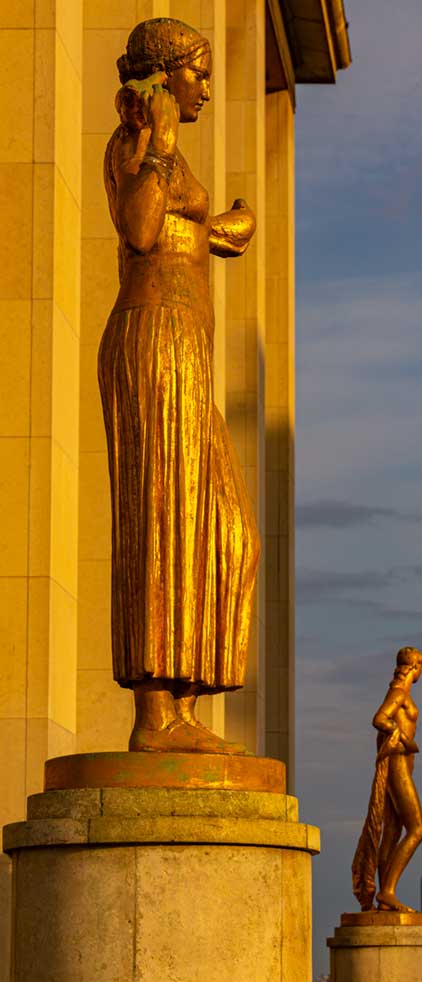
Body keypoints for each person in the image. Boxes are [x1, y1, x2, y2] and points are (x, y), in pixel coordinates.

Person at [99, 18, 260, 754]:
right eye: (197, 71)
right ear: (164, 78)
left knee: (227, 534)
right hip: (152, 336)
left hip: (185, 345)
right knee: (161, 518)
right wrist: (160, 142)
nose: (206, 84)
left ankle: (183, 703)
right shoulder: (134, 145)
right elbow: (137, 230)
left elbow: (206, 232)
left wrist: (229, 221)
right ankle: (154, 716)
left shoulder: (173, 156)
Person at [352, 647, 422, 912]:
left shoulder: (401, 692)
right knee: (418, 829)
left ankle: (386, 896)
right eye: (421, 667)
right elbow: (380, 719)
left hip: (401, 763)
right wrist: (406, 740)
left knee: (392, 832)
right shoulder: (399, 693)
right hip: (398, 764)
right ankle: (388, 891)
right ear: (415, 667)